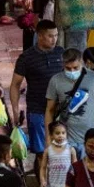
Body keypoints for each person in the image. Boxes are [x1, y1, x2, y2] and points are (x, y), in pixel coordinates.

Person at [11, 20, 64, 174]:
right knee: (42, 152)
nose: (54, 39)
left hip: (60, 111)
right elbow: (15, 85)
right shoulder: (27, 58)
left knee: (61, 150)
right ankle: (41, 186)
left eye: (56, 35)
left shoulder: (61, 53)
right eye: (50, 36)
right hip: (37, 111)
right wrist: (15, 110)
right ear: (40, 36)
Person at [44, 48, 94, 160]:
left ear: (82, 63)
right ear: (63, 64)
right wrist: (48, 139)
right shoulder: (55, 80)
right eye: (68, 68)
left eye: (75, 68)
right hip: (65, 140)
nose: (72, 71)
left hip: (89, 140)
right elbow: (49, 110)